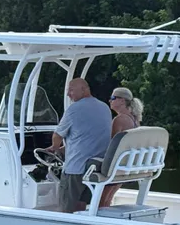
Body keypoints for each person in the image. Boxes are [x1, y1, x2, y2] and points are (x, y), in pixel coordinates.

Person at [46, 78, 111, 213]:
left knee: (66, 209)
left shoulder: (74, 109)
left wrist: (55, 147)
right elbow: (89, 137)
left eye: (71, 90)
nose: (69, 94)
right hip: (96, 168)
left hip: (76, 169)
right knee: (81, 207)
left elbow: (57, 135)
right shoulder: (104, 107)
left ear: (84, 89)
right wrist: (66, 148)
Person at [99, 87, 145, 208]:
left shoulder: (119, 119)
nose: (110, 100)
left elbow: (111, 145)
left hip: (115, 166)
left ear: (122, 101)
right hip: (125, 165)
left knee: (101, 199)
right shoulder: (135, 120)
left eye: (113, 98)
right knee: (107, 198)